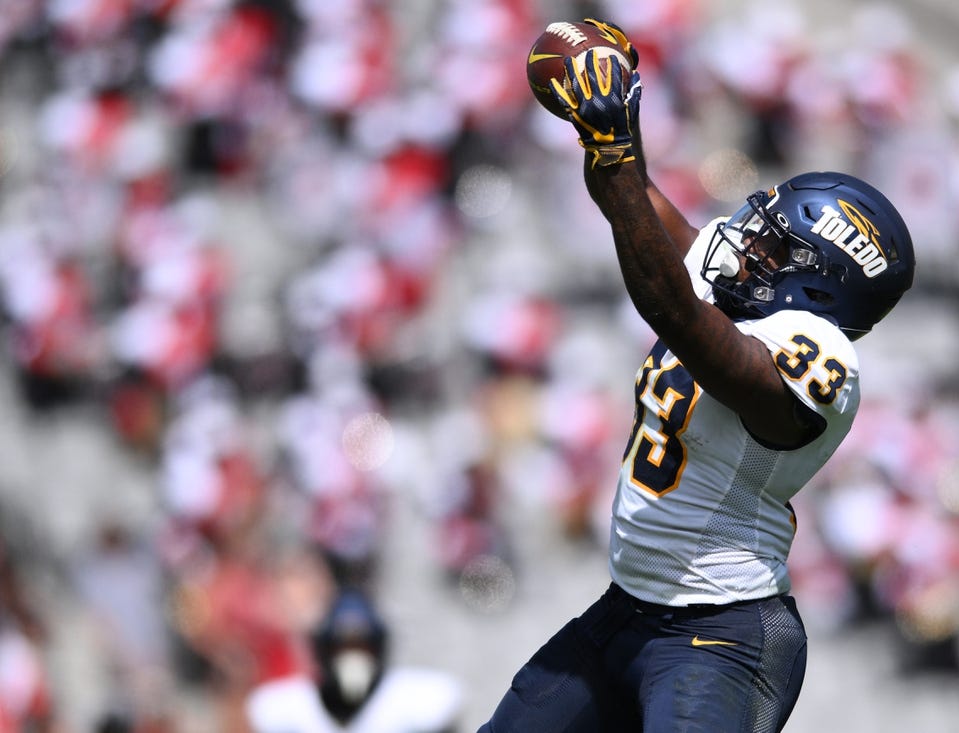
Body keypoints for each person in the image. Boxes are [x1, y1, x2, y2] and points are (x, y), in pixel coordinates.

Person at [479, 20, 916, 733]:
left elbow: (680, 318)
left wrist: (617, 150)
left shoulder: (818, 355)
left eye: (774, 246)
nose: (745, 243)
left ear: (820, 285)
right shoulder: (744, 285)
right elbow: (636, 207)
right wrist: (608, 125)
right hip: (628, 608)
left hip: (722, 637)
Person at [246, 587, 463, 733]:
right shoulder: (285, 706)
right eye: (341, 648)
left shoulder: (418, 699)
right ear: (323, 651)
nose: (352, 657)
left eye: (362, 647)